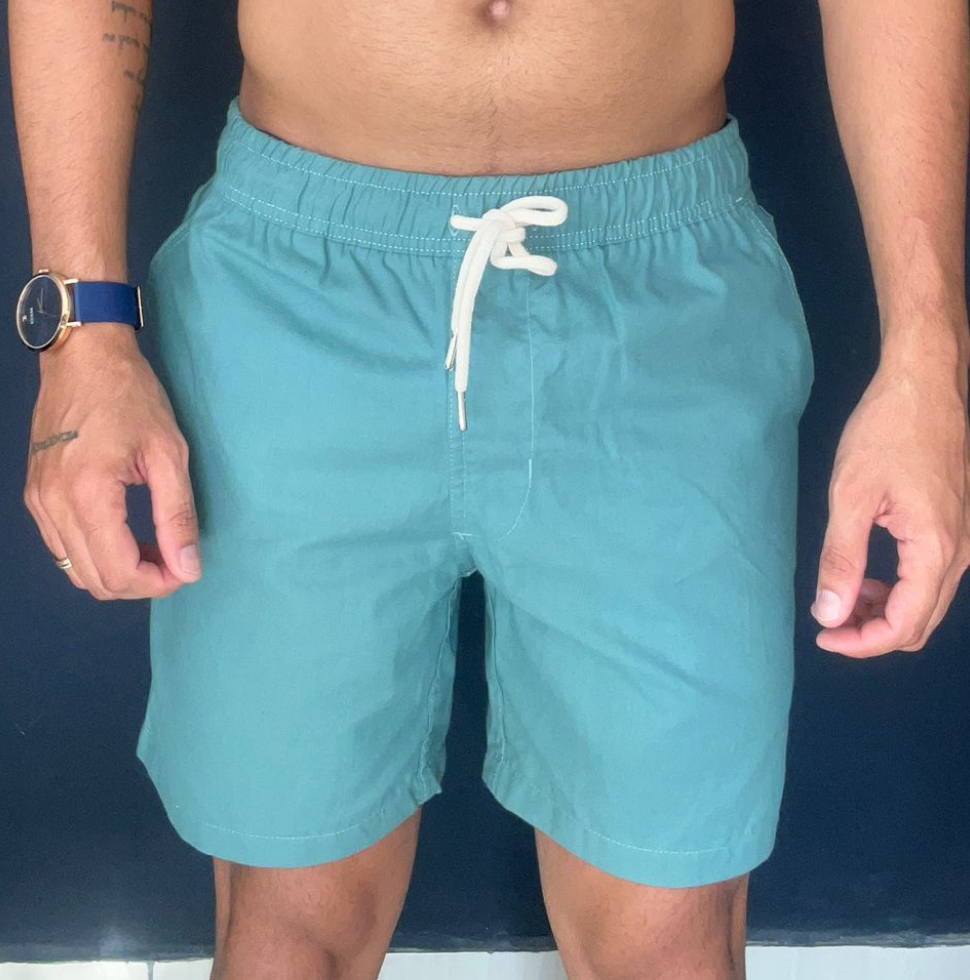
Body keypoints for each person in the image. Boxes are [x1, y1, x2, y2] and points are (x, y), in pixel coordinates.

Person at [9, 0, 970, 977]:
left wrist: (928, 359)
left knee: (670, 950)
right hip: (295, 291)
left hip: (662, 299)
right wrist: (80, 332)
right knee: (286, 937)